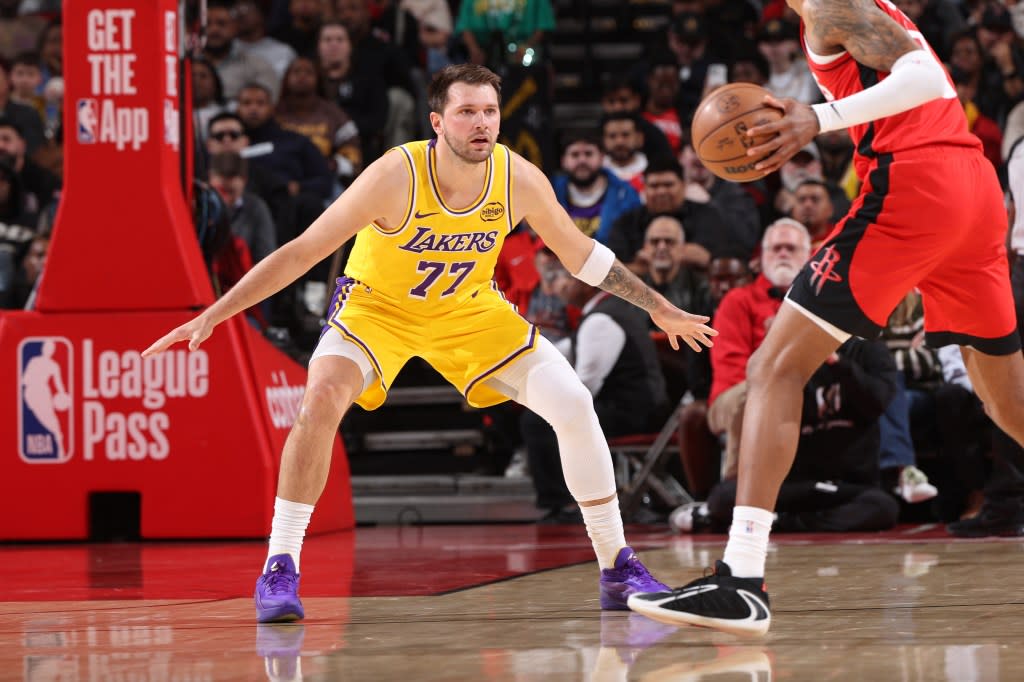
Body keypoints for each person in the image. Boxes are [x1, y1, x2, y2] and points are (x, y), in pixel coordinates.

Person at [142, 64, 716, 624]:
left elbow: (583, 257)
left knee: (572, 401)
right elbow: (302, 251)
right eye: (467, 112)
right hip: (376, 311)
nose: (482, 123)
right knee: (317, 404)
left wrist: (660, 307)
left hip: (469, 311)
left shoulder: (518, 178)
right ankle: (280, 565)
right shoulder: (395, 174)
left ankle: (617, 566)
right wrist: (215, 314)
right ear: (437, 122)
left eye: (489, 111)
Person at [628, 0, 1024, 636]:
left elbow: (922, 74)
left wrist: (819, 117)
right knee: (1006, 401)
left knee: (772, 367)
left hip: (913, 185)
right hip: (970, 189)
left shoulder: (827, 2)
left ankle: (742, 578)